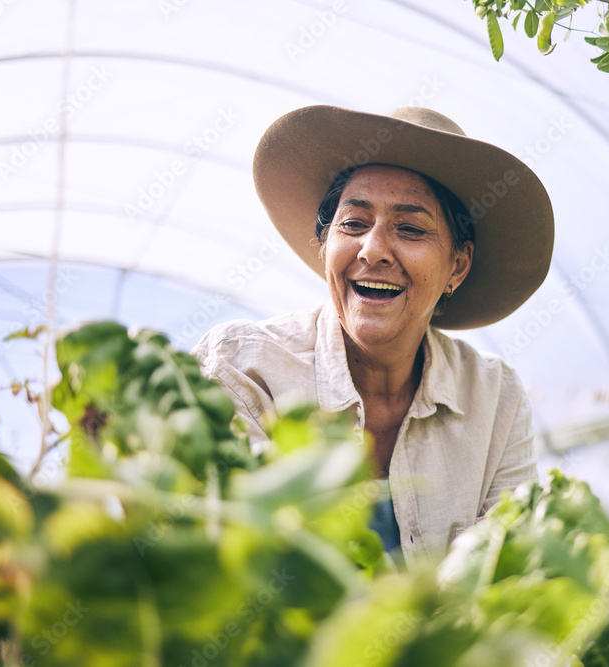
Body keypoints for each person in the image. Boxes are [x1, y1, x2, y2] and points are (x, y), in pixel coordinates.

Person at [192, 105, 554, 564]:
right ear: (326, 245)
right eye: (354, 224)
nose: (373, 249)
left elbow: (503, 572)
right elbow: (234, 562)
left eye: (409, 228)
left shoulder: (494, 397)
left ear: (456, 268)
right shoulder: (245, 369)